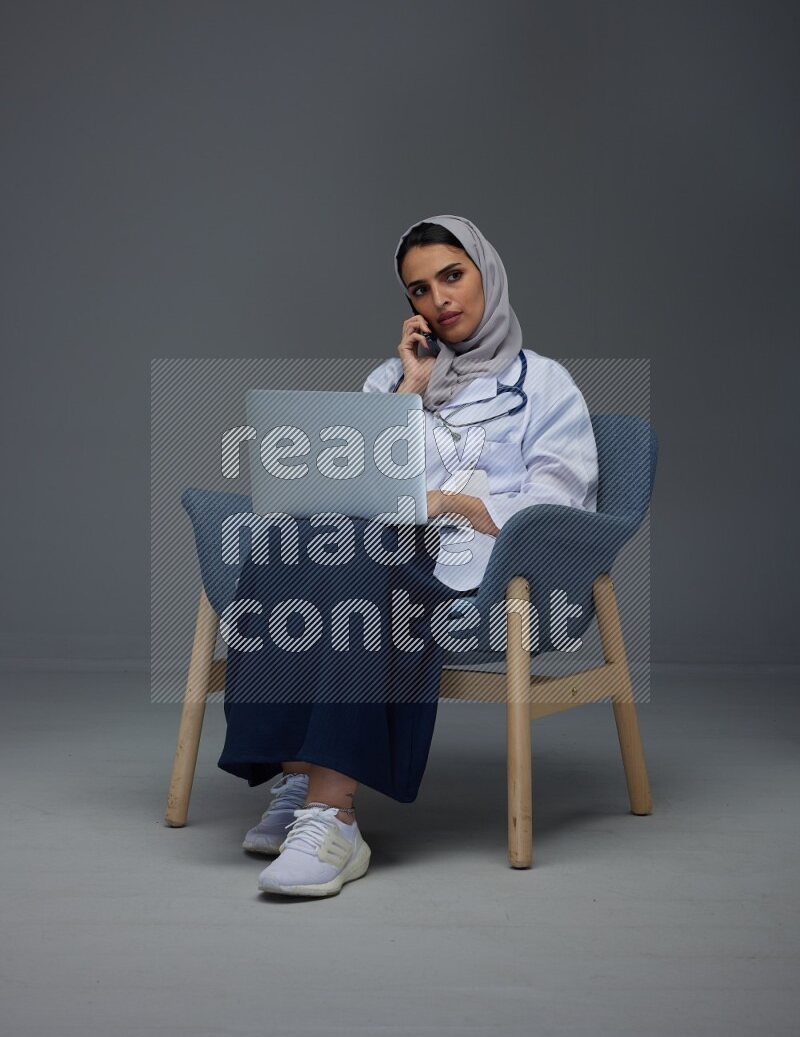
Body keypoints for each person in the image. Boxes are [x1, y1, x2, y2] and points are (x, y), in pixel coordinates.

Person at [220, 213, 599, 899]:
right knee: (285, 538)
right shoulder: (393, 380)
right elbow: (347, 484)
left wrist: (445, 505)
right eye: (419, 290)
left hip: (484, 573)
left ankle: (331, 813)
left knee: (359, 560)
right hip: (391, 549)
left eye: (452, 276)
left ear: (487, 273)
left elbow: (558, 507)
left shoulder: (545, 385)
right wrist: (410, 393)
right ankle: (299, 775)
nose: (439, 299)